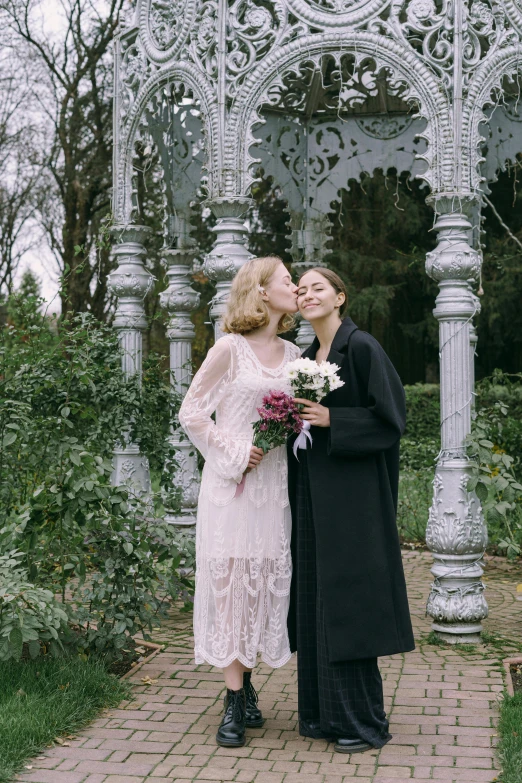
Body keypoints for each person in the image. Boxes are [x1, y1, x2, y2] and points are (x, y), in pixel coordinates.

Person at [287, 267, 415, 754]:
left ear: (340, 297)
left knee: (351, 606)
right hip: (314, 496)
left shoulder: (361, 347)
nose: (307, 293)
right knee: (317, 598)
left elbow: (392, 419)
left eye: (318, 287)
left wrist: (331, 418)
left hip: (355, 500)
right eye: (301, 289)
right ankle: (323, 715)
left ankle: (363, 723)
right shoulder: (304, 356)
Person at [179, 256, 300, 748]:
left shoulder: (296, 355)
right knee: (230, 585)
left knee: (260, 585)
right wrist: (234, 451)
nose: (296, 287)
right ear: (262, 291)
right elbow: (192, 411)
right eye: (288, 281)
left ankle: (247, 685)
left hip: (273, 487)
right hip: (231, 486)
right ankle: (233, 702)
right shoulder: (228, 349)